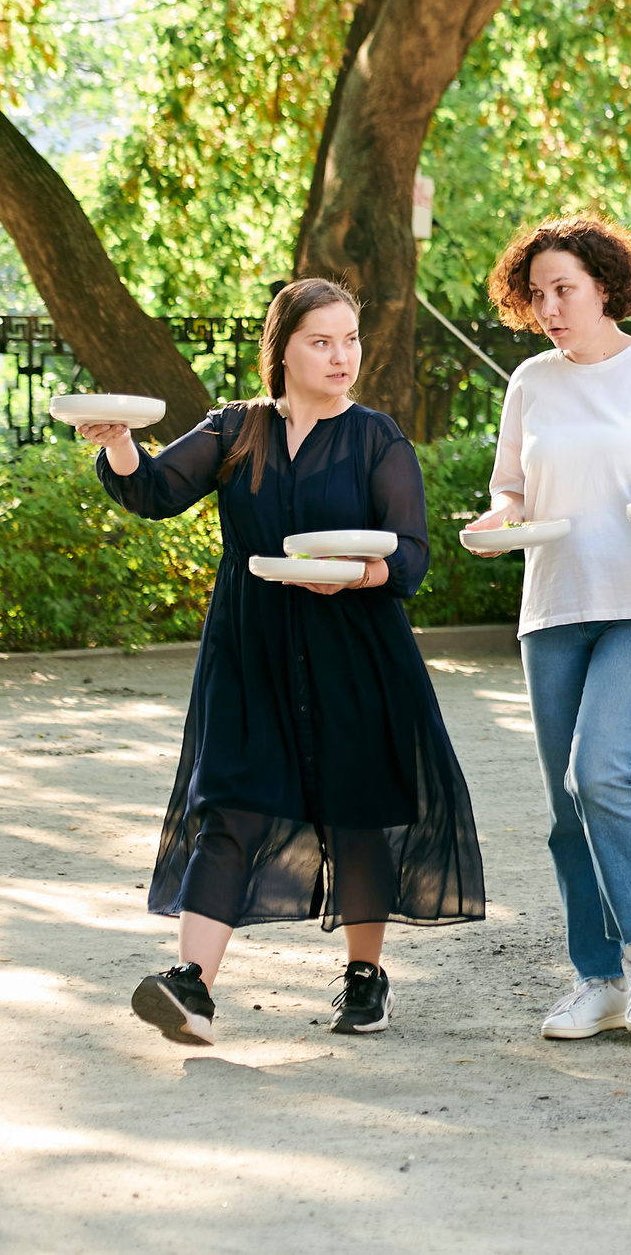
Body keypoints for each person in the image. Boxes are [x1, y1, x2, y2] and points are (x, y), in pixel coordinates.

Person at [87, 279, 486, 1046]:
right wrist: (116, 440)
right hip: (250, 649)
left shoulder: (378, 439)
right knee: (227, 805)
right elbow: (154, 489)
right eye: (321, 341)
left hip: (354, 649)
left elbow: (411, 555)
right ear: (282, 351)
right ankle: (193, 989)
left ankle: (365, 977)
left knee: (356, 810)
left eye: (351, 339)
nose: (342, 356)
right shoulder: (236, 428)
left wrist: (356, 573)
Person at [468, 214, 631, 1042]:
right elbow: (512, 488)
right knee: (563, 807)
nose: (550, 306)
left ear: (606, 286)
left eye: (565, 289)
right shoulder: (532, 383)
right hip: (554, 605)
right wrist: (499, 518)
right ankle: (597, 978)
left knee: (602, 773)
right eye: (537, 293)